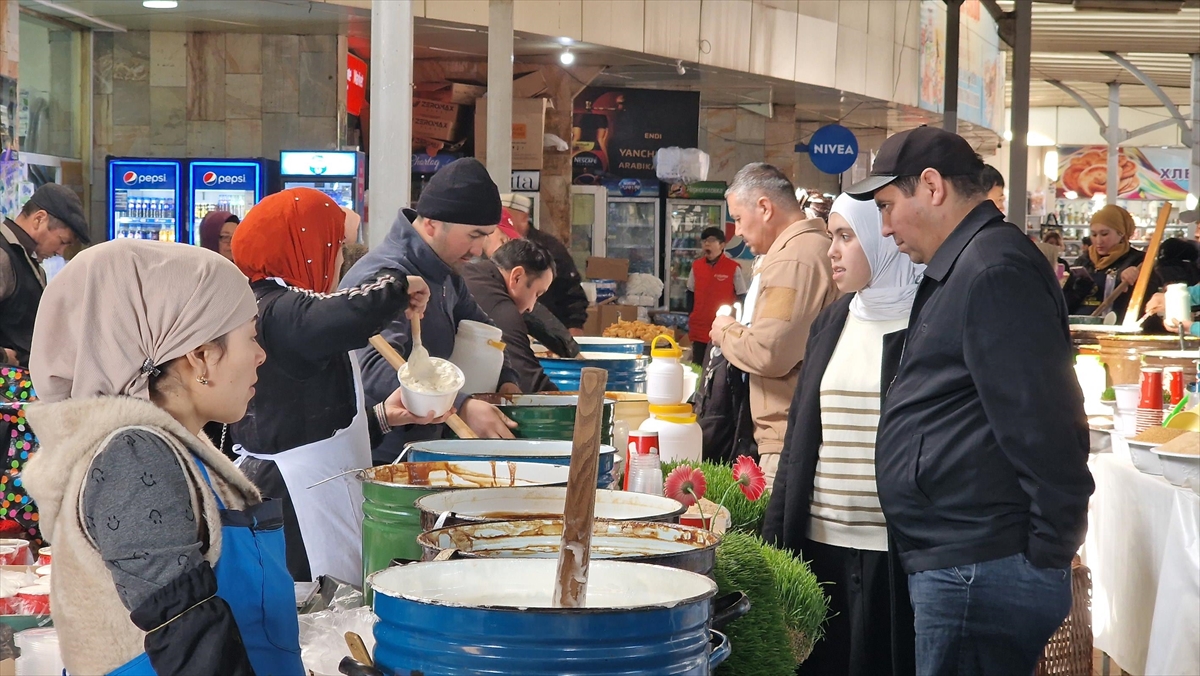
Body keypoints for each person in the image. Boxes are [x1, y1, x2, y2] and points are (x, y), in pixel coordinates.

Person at [848, 125, 1094, 675]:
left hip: (983, 567)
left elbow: (1043, 423)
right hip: (965, 560)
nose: (884, 229)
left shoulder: (992, 268)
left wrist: (1045, 552)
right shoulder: (968, 262)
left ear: (932, 187)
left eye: (888, 206)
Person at [23, 239, 302, 675]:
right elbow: (190, 647)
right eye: (251, 337)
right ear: (201, 355)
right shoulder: (132, 457)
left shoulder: (171, 443)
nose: (261, 355)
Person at [228, 187, 433, 584]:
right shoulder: (282, 310)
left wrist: (381, 418)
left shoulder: (271, 306)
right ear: (306, 246)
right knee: (315, 627)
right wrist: (399, 285)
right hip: (297, 506)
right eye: (336, 245)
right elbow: (350, 313)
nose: (339, 258)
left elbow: (297, 414)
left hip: (303, 492)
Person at [763, 193, 922, 676]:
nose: (832, 250)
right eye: (832, 236)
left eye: (846, 237)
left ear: (884, 240)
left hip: (894, 554)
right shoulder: (834, 320)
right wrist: (775, 537)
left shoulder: (927, 323)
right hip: (820, 545)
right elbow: (800, 440)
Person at [341, 158, 521, 463]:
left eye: (485, 237)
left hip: (423, 450)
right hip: (378, 459)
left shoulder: (446, 273)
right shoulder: (386, 277)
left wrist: (506, 380)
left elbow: (484, 331)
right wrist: (461, 404)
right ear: (431, 224)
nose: (478, 251)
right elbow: (371, 367)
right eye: (474, 235)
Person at [708, 163, 839, 485]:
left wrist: (725, 330)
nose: (736, 231)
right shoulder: (799, 252)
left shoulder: (795, 259)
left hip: (787, 436)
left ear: (764, 207)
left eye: (738, 218)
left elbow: (769, 352)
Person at [0, 184, 89, 366]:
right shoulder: (3, 257)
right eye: (62, 242)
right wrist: (2, 356)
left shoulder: (30, 263)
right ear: (39, 219)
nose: (61, 252)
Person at [463, 239, 558, 393]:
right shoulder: (501, 309)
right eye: (536, 294)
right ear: (517, 277)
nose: (531, 307)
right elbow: (530, 383)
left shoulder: (469, 274)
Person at [501, 193, 589, 335]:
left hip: (547, 332)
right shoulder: (495, 246)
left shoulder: (549, 248)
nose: (502, 223)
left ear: (524, 217)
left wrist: (574, 327)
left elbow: (571, 292)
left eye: (507, 218)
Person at [1062, 205, 1146, 317]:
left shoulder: (1138, 260)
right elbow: (1065, 306)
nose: (1098, 240)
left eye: (1104, 234)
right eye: (1094, 234)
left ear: (1121, 234)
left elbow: (1145, 303)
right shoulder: (1083, 261)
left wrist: (1131, 282)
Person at [687, 226, 748, 366]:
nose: (706, 244)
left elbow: (741, 296)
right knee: (698, 365)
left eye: (711, 240)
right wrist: (691, 314)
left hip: (723, 328)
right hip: (699, 327)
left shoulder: (733, 268)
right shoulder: (696, 266)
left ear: (722, 245)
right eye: (704, 241)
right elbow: (690, 292)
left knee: (718, 367)